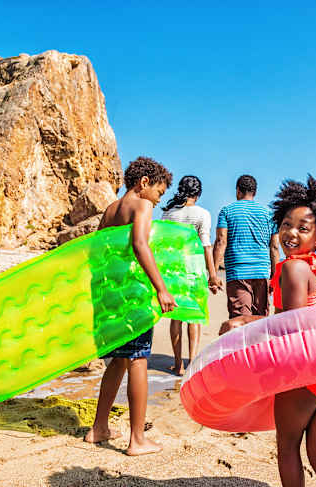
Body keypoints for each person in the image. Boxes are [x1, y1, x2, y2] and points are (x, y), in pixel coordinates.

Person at [219, 175, 316, 487]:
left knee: (288, 448)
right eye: (285, 224)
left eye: (302, 228)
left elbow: (290, 327)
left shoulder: (294, 268)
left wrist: (242, 322)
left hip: (304, 373)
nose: (290, 233)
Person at [84, 156, 175, 456]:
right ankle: (137, 439)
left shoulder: (110, 210)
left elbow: (98, 252)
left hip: (111, 296)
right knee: (138, 359)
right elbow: (140, 244)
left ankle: (99, 428)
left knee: (120, 361)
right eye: (160, 193)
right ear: (144, 183)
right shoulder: (142, 205)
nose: (159, 200)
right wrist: (161, 288)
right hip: (133, 296)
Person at [161, 175, 220, 375]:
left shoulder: (168, 214)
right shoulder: (202, 214)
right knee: (194, 317)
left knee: (175, 318)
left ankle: (178, 365)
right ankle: (192, 362)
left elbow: (163, 246)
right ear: (198, 193)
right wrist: (212, 275)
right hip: (194, 270)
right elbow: (206, 246)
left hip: (172, 270)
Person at [213, 175, 279, 320]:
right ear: (254, 192)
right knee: (260, 321)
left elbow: (220, 242)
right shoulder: (268, 214)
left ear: (238, 191)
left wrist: (214, 274)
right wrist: (275, 276)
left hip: (238, 273)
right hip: (262, 273)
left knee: (240, 321)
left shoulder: (227, 211)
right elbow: (274, 247)